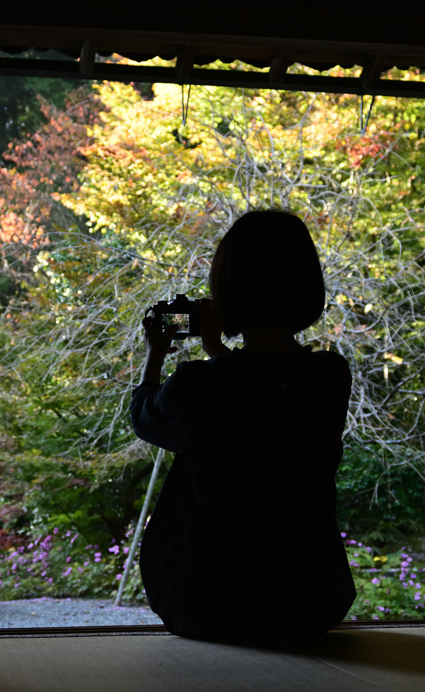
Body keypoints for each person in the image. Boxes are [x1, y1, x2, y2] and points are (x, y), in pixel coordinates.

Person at [130, 209, 355, 640]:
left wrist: (156, 353)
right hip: (311, 603)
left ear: (229, 290)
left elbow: (146, 419)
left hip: (215, 607)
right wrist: (217, 350)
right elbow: (263, 396)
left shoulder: (198, 385)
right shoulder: (329, 375)